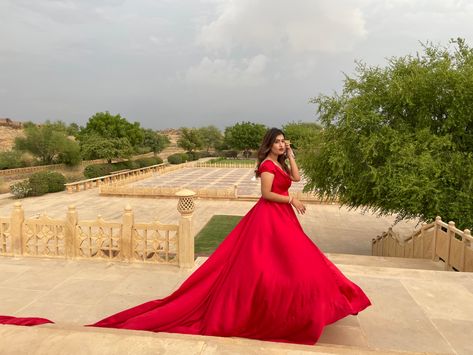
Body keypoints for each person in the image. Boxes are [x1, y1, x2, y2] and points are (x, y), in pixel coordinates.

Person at [0, 128, 371, 344]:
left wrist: (293, 156)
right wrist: (290, 197)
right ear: (268, 144)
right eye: (278, 141)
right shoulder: (265, 165)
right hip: (271, 216)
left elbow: (300, 176)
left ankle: (303, 307)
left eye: (285, 141)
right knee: (270, 267)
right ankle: (278, 312)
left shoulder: (283, 159)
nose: (282, 144)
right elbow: (267, 195)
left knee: (295, 264)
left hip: (283, 219)